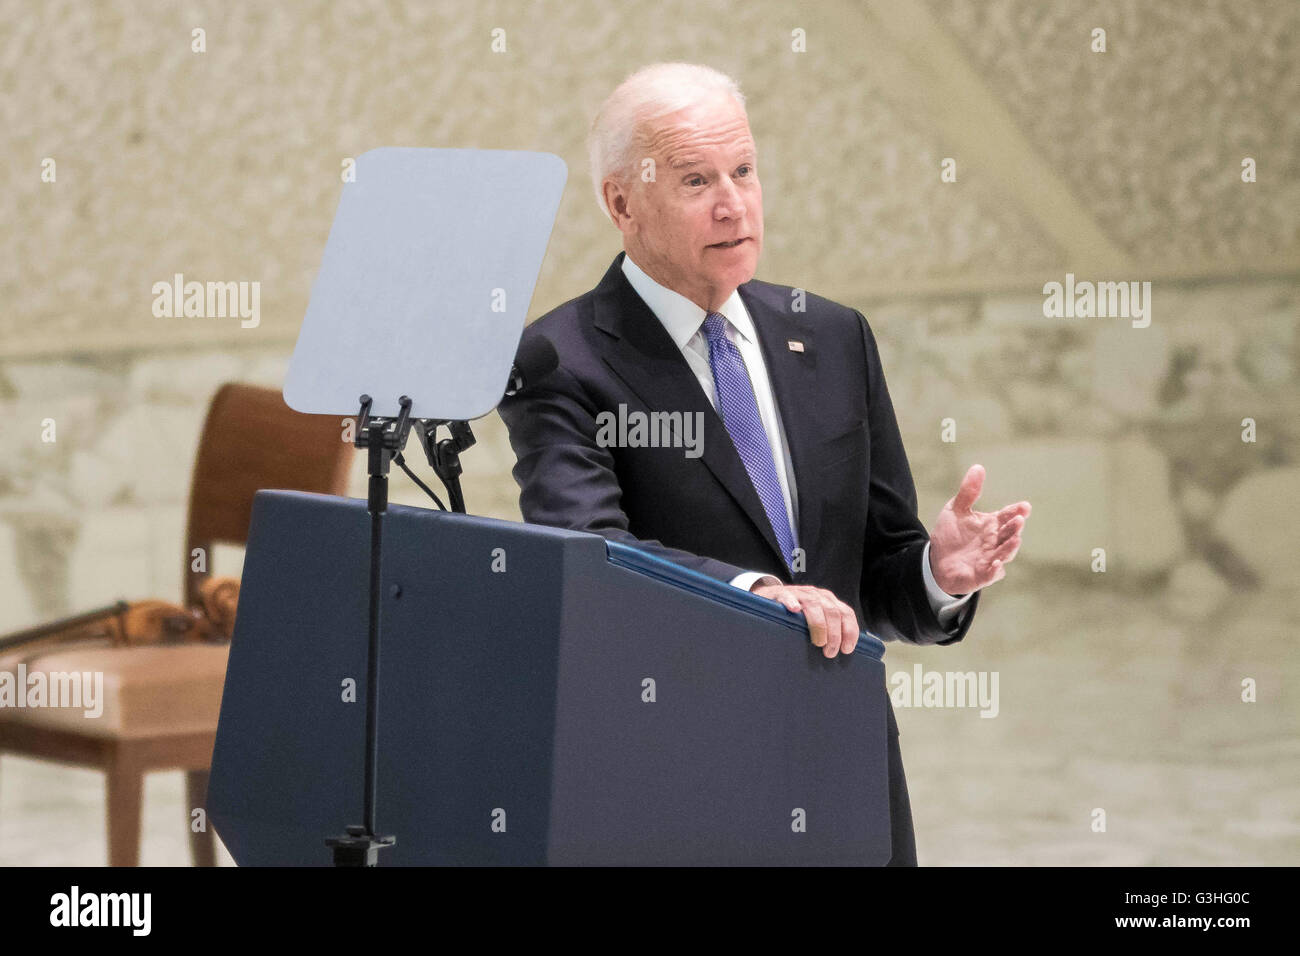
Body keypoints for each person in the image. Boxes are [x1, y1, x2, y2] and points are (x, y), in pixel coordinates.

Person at [497, 62, 1030, 865]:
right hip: (673, 772)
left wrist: (936, 574)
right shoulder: (559, 361)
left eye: (744, 171)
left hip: (841, 755)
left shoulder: (834, 337)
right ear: (621, 203)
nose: (732, 202)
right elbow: (592, 563)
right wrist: (758, 595)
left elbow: (873, 584)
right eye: (695, 179)